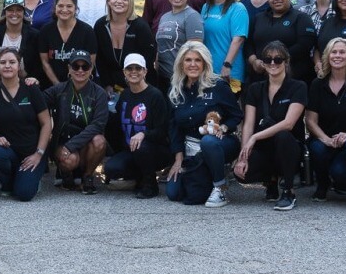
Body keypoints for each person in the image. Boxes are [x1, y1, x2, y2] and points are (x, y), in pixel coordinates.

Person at [165, 41, 242, 207]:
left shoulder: (218, 86)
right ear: (181, 63)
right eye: (188, 60)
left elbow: (236, 116)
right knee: (174, 193)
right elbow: (174, 127)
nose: (193, 64)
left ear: (205, 63)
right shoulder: (175, 90)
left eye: (198, 60)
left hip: (220, 142)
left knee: (208, 142)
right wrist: (178, 159)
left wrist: (223, 127)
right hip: (191, 149)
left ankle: (220, 188)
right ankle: (207, 174)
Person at [234, 42, 308, 211]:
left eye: (278, 59)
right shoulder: (255, 88)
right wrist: (243, 155)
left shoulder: (298, 87)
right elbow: (248, 124)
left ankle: (289, 191)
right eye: (268, 59)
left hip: (289, 146)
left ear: (286, 62)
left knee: (282, 136)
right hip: (265, 147)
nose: (273, 63)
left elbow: (288, 123)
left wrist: (255, 137)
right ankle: (271, 181)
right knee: (242, 174)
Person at [0, 48, 54, 201]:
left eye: (12, 62)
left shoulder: (31, 89)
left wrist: (38, 154)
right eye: (3, 62)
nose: (7, 66)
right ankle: (7, 183)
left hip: (32, 152)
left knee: (24, 194)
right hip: (8, 151)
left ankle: (25, 179)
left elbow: (46, 123)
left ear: (19, 66)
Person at [306, 38, 346, 202]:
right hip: (325, 139)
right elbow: (311, 121)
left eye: (342, 52)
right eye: (334, 52)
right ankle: (322, 183)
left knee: (341, 174)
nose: (338, 56)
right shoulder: (317, 84)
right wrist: (326, 140)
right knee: (317, 149)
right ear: (327, 56)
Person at [103, 53, 173, 199]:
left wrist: (144, 134)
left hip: (154, 149)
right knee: (111, 168)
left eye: (138, 68)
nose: (133, 72)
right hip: (130, 149)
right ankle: (140, 176)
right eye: (129, 68)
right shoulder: (125, 95)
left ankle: (150, 184)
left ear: (145, 71)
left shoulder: (155, 96)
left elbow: (163, 130)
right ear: (124, 72)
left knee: (141, 146)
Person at [43, 50, 111, 194]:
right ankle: (65, 174)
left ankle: (88, 176)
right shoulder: (59, 89)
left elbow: (98, 125)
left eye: (85, 67)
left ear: (91, 69)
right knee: (69, 161)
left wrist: (71, 145)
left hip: (86, 144)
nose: (80, 70)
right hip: (63, 142)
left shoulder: (99, 93)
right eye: (76, 66)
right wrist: (32, 84)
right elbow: (38, 101)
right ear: (69, 68)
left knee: (100, 141)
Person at [245, 0, 316, 87]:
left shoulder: (301, 18)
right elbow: (248, 43)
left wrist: (275, 61)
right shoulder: (258, 18)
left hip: (292, 80)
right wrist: (254, 61)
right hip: (260, 80)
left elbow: (305, 45)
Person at [94, 0, 156, 92]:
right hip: (111, 87)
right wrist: (107, 85)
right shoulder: (100, 26)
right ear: (109, 1)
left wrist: (137, 88)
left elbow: (148, 61)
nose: (119, 1)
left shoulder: (141, 27)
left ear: (130, 2)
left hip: (140, 86)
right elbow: (99, 60)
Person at [201, 0, 249, 86]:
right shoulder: (205, 7)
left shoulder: (237, 8)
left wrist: (227, 65)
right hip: (208, 72)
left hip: (228, 73)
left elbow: (238, 40)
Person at [39, 0, 98, 85]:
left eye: (69, 6)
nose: (65, 10)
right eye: (60, 6)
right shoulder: (46, 31)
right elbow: (45, 63)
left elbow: (90, 63)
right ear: (55, 8)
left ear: (75, 9)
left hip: (81, 85)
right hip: (52, 87)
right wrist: (58, 86)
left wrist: (74, 87)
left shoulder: (87, 31)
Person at [154, 0, 204, 87]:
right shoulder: (164, 17)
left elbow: (195, 50)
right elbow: (160, 45)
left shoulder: (192, 16)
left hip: (180, 79)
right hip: (162, 76)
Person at [0, 0, 45, 89]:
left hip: (27, 85)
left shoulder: (34, 35)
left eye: (18, 10)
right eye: (10, 10)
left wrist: (35, 79)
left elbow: (39, 65)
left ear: (24, 12)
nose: (14, 14)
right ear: (5, 12)